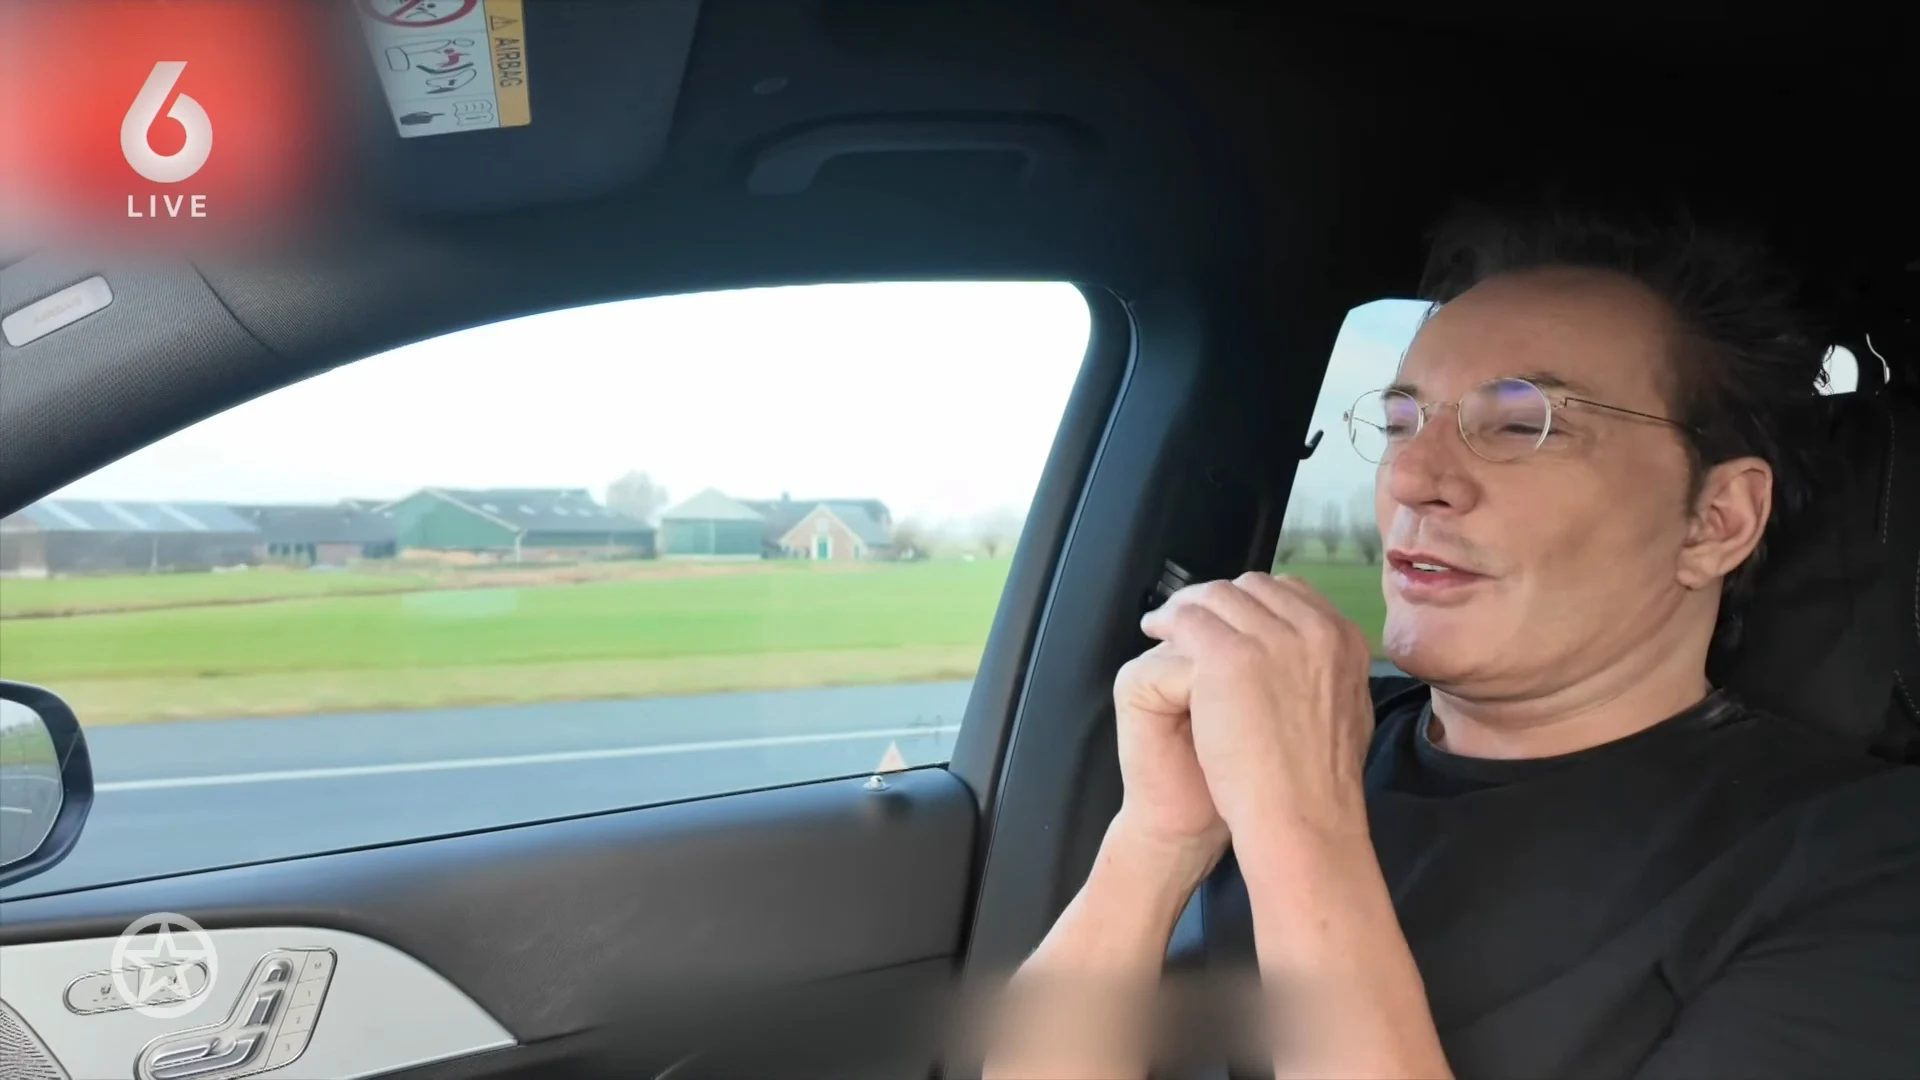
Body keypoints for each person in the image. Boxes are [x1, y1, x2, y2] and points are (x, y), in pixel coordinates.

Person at [981, 203, 1920, 1079]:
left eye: (1520, 424)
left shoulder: (1862, 861)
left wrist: (1301, 827)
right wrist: (1157, 842)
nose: (1413, 477)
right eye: (1400, 423)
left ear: (1717, 519)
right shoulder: (1288, 739)